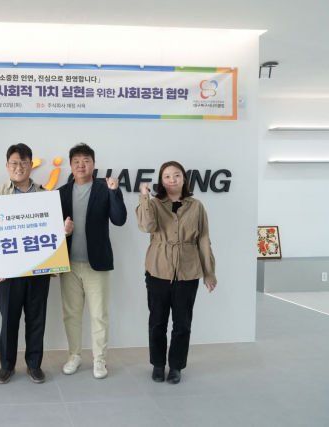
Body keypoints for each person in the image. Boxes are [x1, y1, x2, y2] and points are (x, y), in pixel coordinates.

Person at [136, 161, 217, 385]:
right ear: (161, 181)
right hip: (157, 270)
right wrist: (144, 196)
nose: (172, 179)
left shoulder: (197, 206)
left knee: (182, 324)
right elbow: (146, 227)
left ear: (184, 179)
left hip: (188, 272)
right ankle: (158, 364)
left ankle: (176, 366)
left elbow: (203, 239)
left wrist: (209, 273)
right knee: (157, 322)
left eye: (177, 175)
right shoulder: (153, 204)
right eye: (167, 176)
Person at [57, 143, 127, 379]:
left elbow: (119, 219)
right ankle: (74, 355)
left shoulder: (105, 188)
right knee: (71, 314)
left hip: (96, 264)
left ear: (94, 164)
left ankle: (100, 360)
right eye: (76, 161)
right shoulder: (61, 193)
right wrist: (62, 230)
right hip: (68, 265)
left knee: (99, 315)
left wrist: (115, 192)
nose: (81, 165)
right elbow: (50, 230)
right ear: (70, 165)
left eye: (86, 160)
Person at [0, 143, 50, 385]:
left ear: (31, 165)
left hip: (38, 269)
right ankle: (7, 365)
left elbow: (53, 232)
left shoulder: (45, 195)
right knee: (9, 320)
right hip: (7, 272)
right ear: (7, 166)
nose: (19, 167)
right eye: (14, 162)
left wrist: (54, 260)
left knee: (36, 318)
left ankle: (34, 364)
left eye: (24, 162)